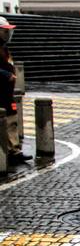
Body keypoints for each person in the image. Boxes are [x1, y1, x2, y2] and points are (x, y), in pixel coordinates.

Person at [0, 17, 31, 164]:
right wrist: (6, 75)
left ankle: (14, 150)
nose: (7, 34)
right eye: (5, 31)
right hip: (1, 91)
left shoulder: (4, 48)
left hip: (7, 92)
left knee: (12, 120)